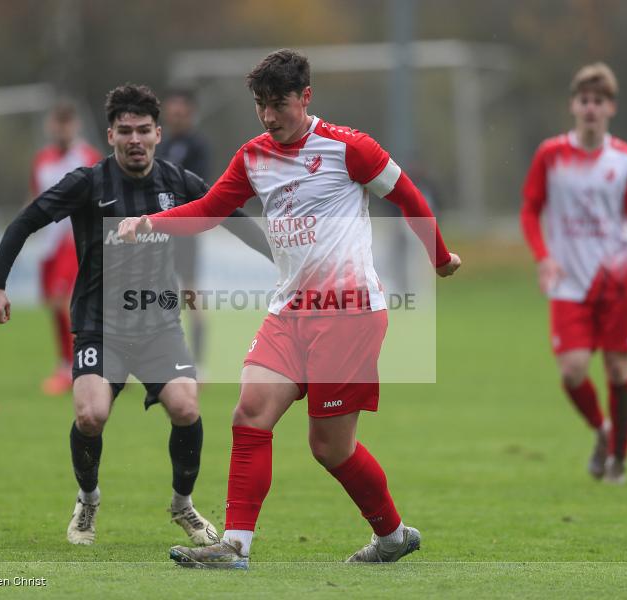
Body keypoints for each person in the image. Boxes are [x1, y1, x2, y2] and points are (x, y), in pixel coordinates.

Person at [118, 49, 461, 568]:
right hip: (288, 311)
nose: (269, 116)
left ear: (306, 97)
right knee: (250, 414)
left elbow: (408, 198)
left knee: (330, 448)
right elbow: (211, 210)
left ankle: (392, 536)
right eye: (260, 105)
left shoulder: (350, 149)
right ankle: (234, 547)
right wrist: (149, 221)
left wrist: (439, 258)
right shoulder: (252, 156)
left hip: (350, 314)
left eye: (278, 104)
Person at [0, 84, 272, 547]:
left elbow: (235, 218)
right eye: (125, 131)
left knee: (186, 407)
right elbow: (26, 221)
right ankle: (88, 498)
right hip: (101, 327)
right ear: (112, 136)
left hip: (158, 324)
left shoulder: (178, 182)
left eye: (143, 130)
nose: (135, 139)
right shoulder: (88, 183)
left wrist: (286, 263)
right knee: (91, 416)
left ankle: (183, 505)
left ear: (158, 134)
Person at [520, 62, 627, 485]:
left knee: (618, 370)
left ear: (611, 108)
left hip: (615, 279)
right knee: (573, 370)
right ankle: (603, 431)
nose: (591, 108)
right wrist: (543, 257)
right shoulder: (551, 155)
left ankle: (619, 460)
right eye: (584, 100)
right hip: (568, 282)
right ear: (573, 105)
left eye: (599, 101)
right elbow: (529, 210)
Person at [30, 102, 101, 395]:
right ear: (50, 126)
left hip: (74, 240)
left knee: (65, 302)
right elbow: (37, 198)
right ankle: (69, 364)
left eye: (67, 123)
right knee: (54, 305)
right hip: (48, 242)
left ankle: (78, 367)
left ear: (76, 126)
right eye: (57, 123)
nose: (62, 129)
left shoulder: (88, 157)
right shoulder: (42, 160)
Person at [155, 89, 211, 366]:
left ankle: (198, 365)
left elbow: (200, 190)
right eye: (171, 112)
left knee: (190, 295)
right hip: (157, 233)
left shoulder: (198, 146)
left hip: (185, 232)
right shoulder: (159, 145)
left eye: (180, 113)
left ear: (190, 114)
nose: (175, 118)